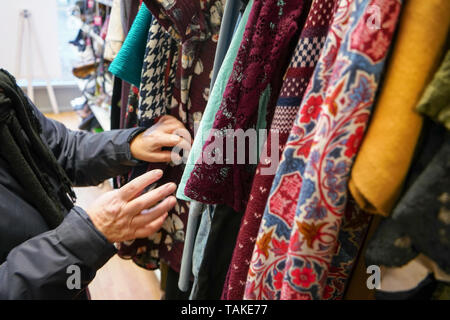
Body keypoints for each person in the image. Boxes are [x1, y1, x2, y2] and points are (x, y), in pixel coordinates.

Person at [0, 69, 191, 299]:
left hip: (65, 279)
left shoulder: (3, 93)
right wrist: (85, 237)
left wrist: (129, 145)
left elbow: (57, 147)